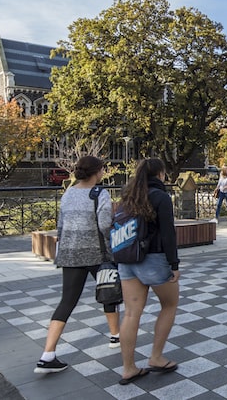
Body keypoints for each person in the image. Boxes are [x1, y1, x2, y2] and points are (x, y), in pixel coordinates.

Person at [35, 156, 120, 374]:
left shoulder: (69, 192)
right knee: (108, 292)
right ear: (96, 172)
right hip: (96, 253)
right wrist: (111, 243)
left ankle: (48, 354)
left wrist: (63, 249)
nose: (103, 172)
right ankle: (115, 336)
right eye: (102, 169)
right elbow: (103, 225)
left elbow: (61, 225)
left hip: (70, 254)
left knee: (67, 301)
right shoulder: (100, 193)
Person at [116, 158, 180, 385]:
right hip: (153, 259)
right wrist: (174, 264)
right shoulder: (160, 197)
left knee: (131, 314)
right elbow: (168, 234)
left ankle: (128, 368)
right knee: (169, 305)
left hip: (127, 259)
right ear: (160, 174)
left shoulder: (127, 197)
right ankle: (156, 357)